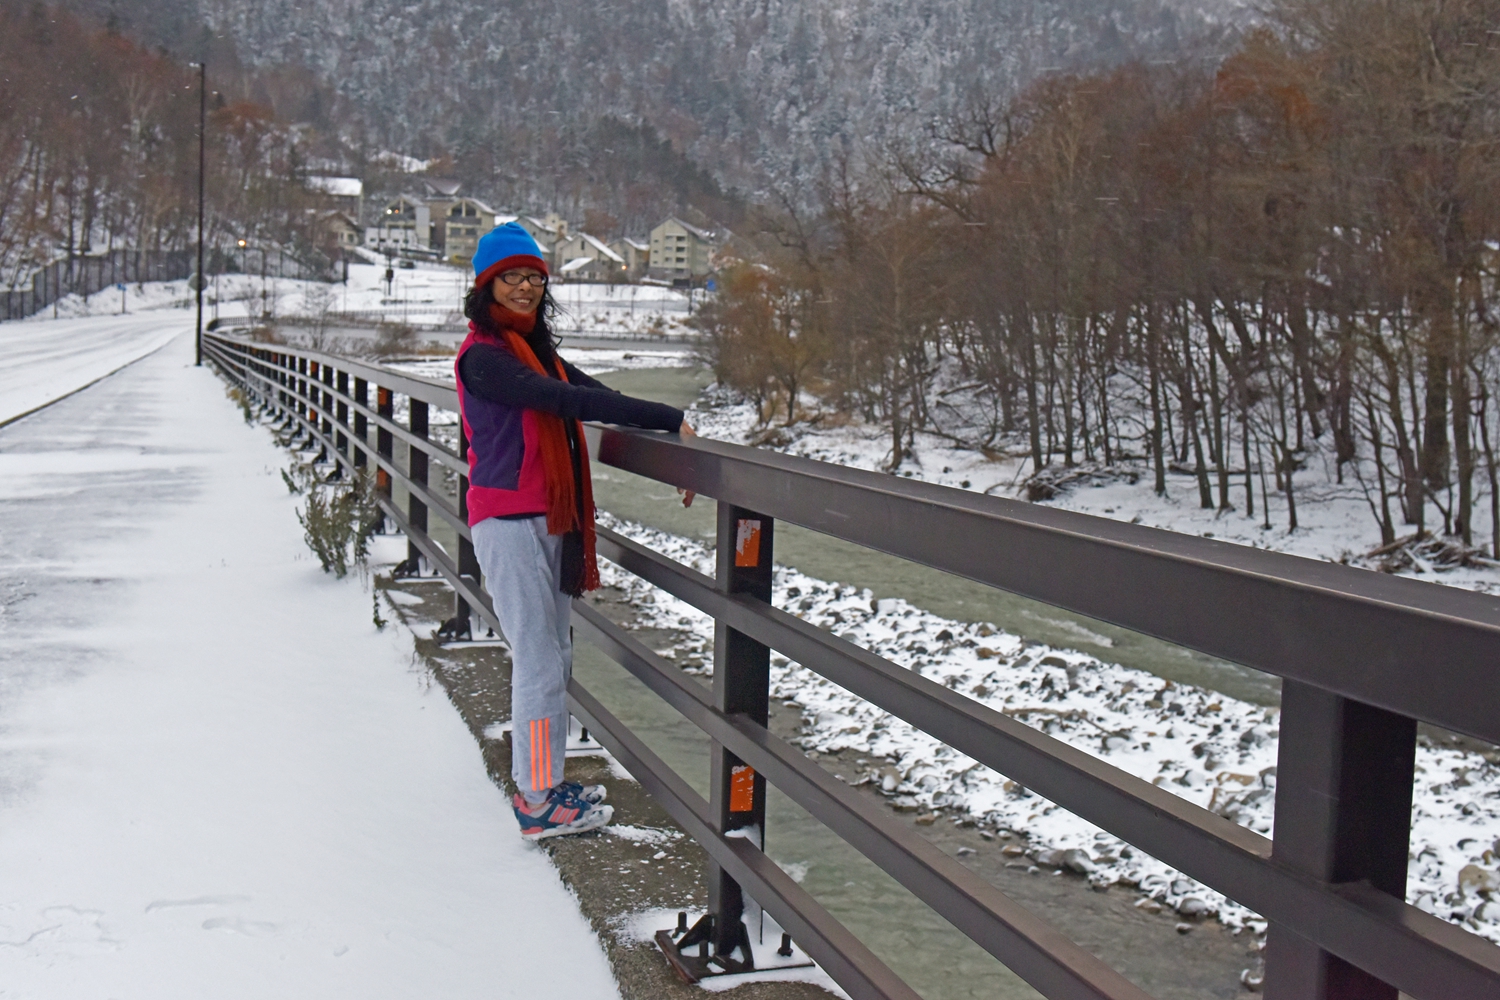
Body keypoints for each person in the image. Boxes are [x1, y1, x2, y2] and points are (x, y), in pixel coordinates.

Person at [456, 221, 694, 840]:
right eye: (512, 277)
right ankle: (536, 799)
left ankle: (548, 780)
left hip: (550, 520)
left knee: (556, 653)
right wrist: (669, 414)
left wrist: (671, 434)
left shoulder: (535, 353)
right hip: (507, 526)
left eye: (535, 278)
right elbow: (565, 402)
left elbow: (592, 392)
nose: (527, 288)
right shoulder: (485, 358)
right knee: (537, 659)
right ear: (487, 286)